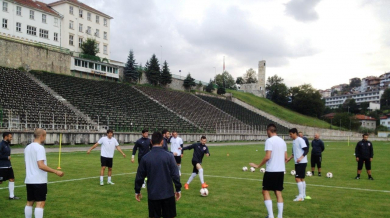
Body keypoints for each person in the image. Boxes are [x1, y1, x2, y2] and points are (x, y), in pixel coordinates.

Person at [134, 131, 181, 218]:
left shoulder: (145, 158)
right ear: (162, 142)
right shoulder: (169, 156)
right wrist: (178, 189)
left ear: (151, 142)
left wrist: (137, 190)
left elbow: (139, 176)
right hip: (168, 194)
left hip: (153, 194)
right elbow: (175, 175)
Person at [24, 128, 64, 218]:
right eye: (45, 136)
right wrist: (56, 171)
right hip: (39, 180)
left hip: (29, 180)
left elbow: (26, 165)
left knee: (29, 202)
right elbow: (41, 165)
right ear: (42, 136)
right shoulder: (40, 148)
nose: (45, 138)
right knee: (40, 203)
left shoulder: (27, 147)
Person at [249, 124, 287, 218]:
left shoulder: (269, 141)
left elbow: (267, 156)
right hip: (280, 170)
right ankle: (280, 216)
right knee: (278, 192)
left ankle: (270, 215)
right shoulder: (283, 141)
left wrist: (258, 165)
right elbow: (285, 158)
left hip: (271, 170)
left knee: (265, 191)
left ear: (269, 131)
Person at [286, 128, 309, 201]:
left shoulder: (300, 140)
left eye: (291, 134)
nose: (290, 136)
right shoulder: (294, 141)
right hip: (298, 162)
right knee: (301, 178)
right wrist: (289, 158)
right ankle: (303, 194)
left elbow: (306, 149)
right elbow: (294, 152)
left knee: (297, 178)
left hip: (301, 162)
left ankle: (301, 197)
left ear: (295, 133)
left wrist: (301, 158)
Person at [0, 132, 20, 200]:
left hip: (8, 166)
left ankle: (11, 196)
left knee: (12, 179)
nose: (11, 138)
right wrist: (6, 157)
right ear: (6, 137)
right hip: (2, 166)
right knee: (0, 181)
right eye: (10, 137)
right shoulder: (1, 144)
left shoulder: (7, 144)